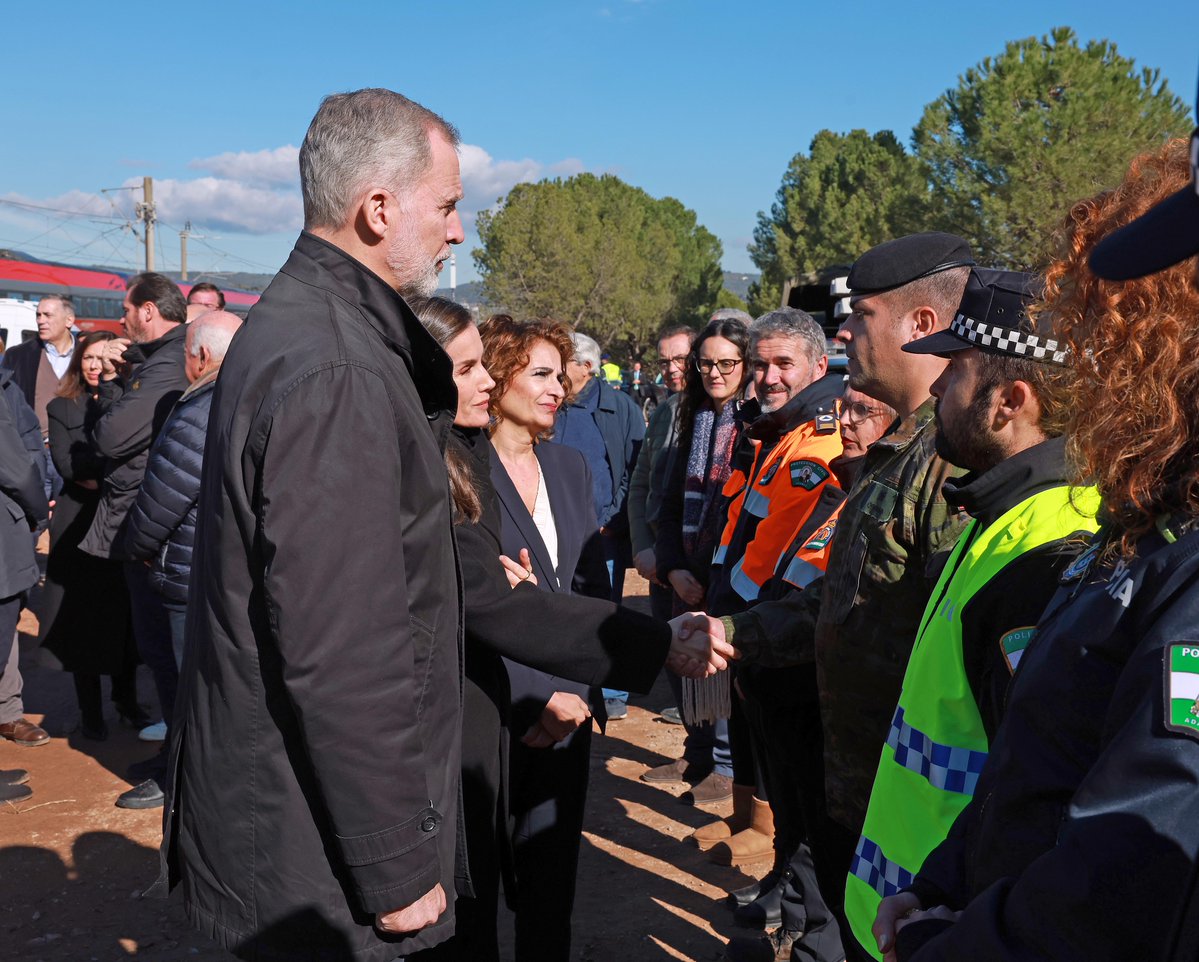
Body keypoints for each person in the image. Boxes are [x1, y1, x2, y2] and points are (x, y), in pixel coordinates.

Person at [161, 88, 476, 962]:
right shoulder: (335, 365)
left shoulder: (306, 330)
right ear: (378, 209)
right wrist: (397, 864)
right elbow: (341, 643)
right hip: (309, 859)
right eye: (447, 206)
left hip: (288, 824)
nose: (457, 233)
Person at [871, 132, 1199, 962]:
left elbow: (1132, 867)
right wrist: (942, 882)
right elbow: (1032, 765)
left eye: (1104, 334)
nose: (1088, 370)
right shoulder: (1140, 526)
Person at [408, 298, 728, 962]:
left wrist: (574, 692)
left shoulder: (571, 468)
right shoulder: (461, 475)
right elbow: (489, 608)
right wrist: (539, 686)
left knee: (549, 891)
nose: (561, 389)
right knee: (476, 894)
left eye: (562, 375)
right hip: (491, 708)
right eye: (543, 376)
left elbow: (587, 591)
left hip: (570, 708)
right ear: (497, 379)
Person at [721, 234, 975, 962]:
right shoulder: (900, 454)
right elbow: (843, 600)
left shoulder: (955, 464)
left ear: (921, 326)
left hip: (920, 817)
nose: (843, 336)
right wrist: (734, 631)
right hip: (862, 795)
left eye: (860, 317)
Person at [844, 268, 1101, 958]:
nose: (932, 389)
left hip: (945, 929)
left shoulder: (1044, 557)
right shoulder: (1003, 517)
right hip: (910, 910)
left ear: (1007, 401)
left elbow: (1039, 797)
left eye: (953, 370)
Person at [80, 271, 188, 810]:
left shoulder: (167, 364)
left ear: (148, 310)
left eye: (126, 310)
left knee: (168, 654)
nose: (121, 322)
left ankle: (180, 771)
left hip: (153, 531)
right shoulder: (160, 361)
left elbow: (110, 436)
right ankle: (173, 752)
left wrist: (117, 386)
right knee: (157, 650)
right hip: (144, 525)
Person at [651, 315, 750, 807]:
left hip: (729, 578)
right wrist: (673, 568)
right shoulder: (695, 422)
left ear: (745, 363)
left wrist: (711, 578)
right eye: (706, 363)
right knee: (687, 664)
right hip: (686, 573)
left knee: (723, 671)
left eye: (727, 362)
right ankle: (699, 754)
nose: (715, 372)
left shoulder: (757, 426)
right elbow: (670, 504)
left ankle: (728, 769)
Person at [124, 311, 245, 668]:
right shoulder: (249, 395)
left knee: (187, 680)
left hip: (188, 572)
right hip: (228, 572)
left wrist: (137, 546)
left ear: (203, 356)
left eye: (187, 356)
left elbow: (163, 498)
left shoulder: (199, 409)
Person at [38, 331, 142, 742]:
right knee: (81, 620)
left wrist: (105, 470)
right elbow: (70, 468)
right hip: (77, 524)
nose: (97, 366)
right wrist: (117, 470)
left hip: (120, 522)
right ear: (79, 362)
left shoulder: (131, 403)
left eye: (105, 359)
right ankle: (91, 712)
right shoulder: (62, 406)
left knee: (125, 617)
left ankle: (127, 700)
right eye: (89, 359)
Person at [553, 329, 645, 718]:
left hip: (601, 536)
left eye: (563, 364)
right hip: (554, 530)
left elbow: (635, 469)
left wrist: (611, 520)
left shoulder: (620, 407)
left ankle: (612, 694)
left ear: (587, 367)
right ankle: (569, 684)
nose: (556, 373)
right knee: (560, 609)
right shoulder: (550, 404)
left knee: (605, 612)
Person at [0, 365, 49, 753]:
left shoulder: (9, 386)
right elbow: (17, 469)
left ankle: (7, 711)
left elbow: (31, 447)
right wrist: (38, 513)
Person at [1, 293, 76, 499]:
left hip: (74, 455)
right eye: (38, 315)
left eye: (48, 315)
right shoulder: (17, 355)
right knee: (32, 520)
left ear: (69, 320)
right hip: (33, 452)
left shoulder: (86, 354)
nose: (41, 320)